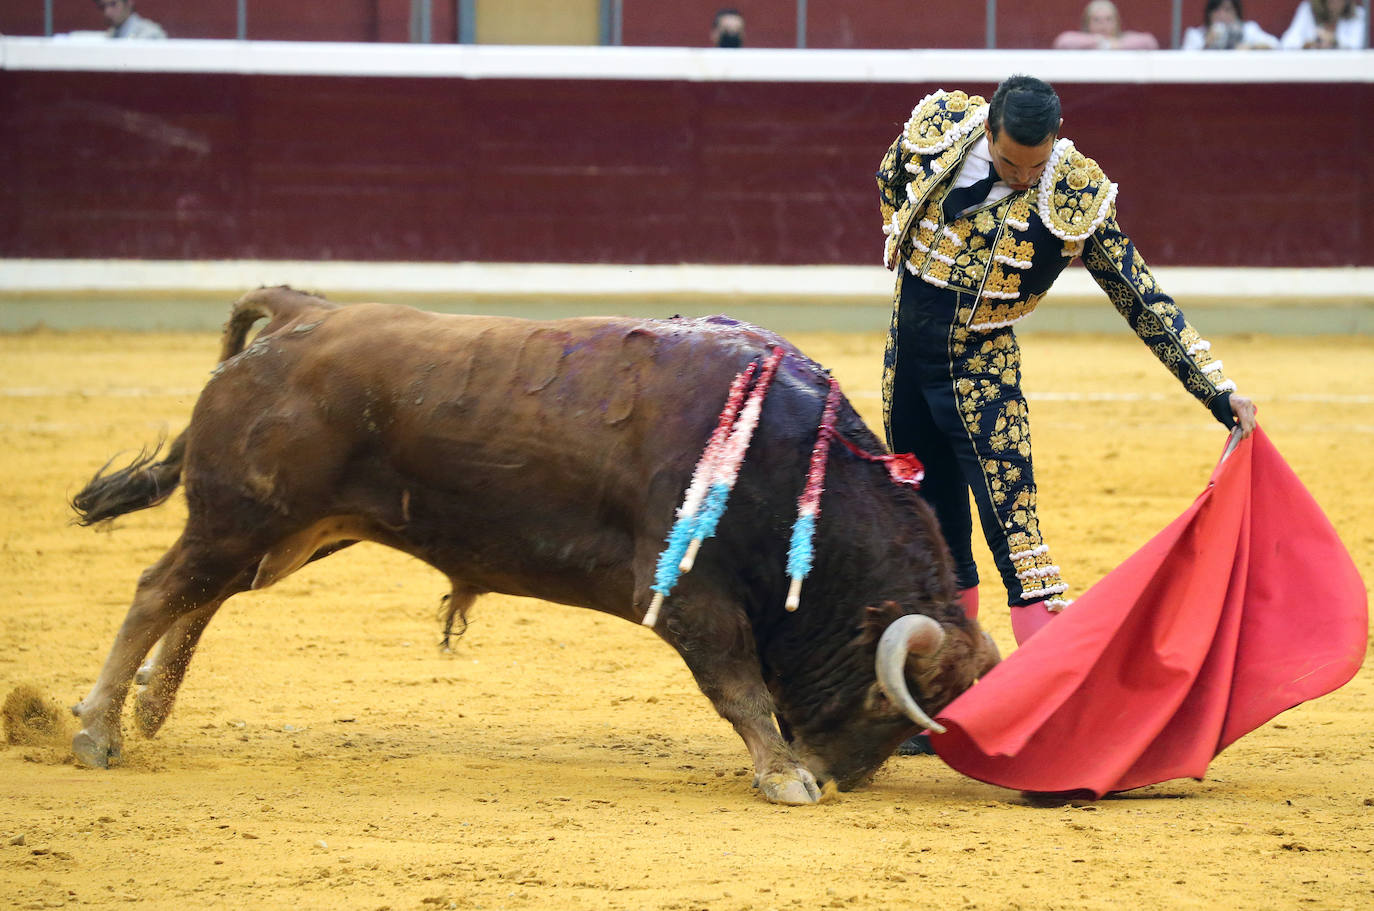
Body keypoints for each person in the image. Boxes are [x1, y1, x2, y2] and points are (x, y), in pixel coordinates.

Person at [876, 74, 1256, 653]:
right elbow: (889, 176)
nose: (1024, 177)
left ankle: (1046, 700)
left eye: (1036, 164)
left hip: (981, 369)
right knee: (932, 529)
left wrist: (1214, 389)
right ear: (988, 130)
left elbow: (1139, 293)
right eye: (1008, 163)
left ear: (1057, 137)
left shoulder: (1073, 191)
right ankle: (944, 694)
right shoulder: (941, 130)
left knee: (1016, 535)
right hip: (905, 361)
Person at [1053, 0, 1159, 49]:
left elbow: (1150, 42)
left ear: (1116, 22)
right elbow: (1062, 42)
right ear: (1087, 23)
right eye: (1097, 20)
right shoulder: (1081, 42)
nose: (1103, 25)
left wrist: (1117, 45)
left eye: (1108, 19)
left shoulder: (1125, 39)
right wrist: (1099, 42)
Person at [1182, 0, 1280, 49]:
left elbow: (1275, 44)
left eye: (1227, 10)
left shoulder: (1248, 30)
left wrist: (1250, 47)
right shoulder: (1196, 35)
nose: (1221, 15)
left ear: (1236, 13)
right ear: (1209, 13)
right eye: (1216, 10)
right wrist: (1206, 45)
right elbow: (1185, 60)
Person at [1280, 0, 1368, 48]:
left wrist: (1334, 43)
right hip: (1312, 71)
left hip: (1345, 74)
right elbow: (1287, 43)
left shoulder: (1358, 15)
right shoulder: (1308, 10)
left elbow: (1358, 47)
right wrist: (1309, 44)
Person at [94, 0, 166, 39]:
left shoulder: (150, 34)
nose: (107, 12)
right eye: (103, 6)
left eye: (113, 4)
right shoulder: (111, 34)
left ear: (129, 2)